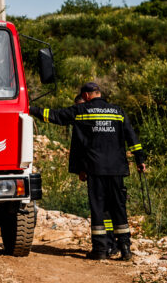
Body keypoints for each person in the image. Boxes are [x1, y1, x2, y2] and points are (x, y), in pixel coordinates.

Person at [30, 82, 145, 260]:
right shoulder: (118, 111)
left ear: (85, 96)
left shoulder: (82, 110)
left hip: (96, 168)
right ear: (98, 93)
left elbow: (55, 116)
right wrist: (140, 159)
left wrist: (31, 109)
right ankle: (125, 248)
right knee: (118, 207)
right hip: (116, 169)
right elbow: (132, 137)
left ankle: (100, 250)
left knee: (99, 208)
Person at [70, 93, 117, 256]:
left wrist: (82, 169)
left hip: (100, 171)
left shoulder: (89, 122)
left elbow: (82, 148)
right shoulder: (89, 121)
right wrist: (81, 170)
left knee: (102, 209)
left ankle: (103, 247)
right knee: (105, 210)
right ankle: (109, 245)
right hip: (109, 169)